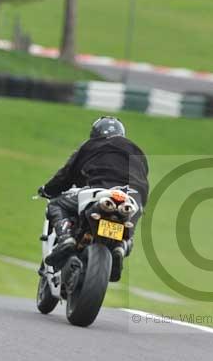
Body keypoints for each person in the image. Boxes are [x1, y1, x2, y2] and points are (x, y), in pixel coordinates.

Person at [38, 116, 149, 274]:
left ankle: (66, 237)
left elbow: (66, 175)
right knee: (129, 220)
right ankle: (122, 245)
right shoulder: (137, 151)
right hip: (132, 198)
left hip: (100, 191)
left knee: (56, 204)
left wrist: (48, 190)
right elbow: (143, 180)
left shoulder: (90, 145)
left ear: (95, 133)